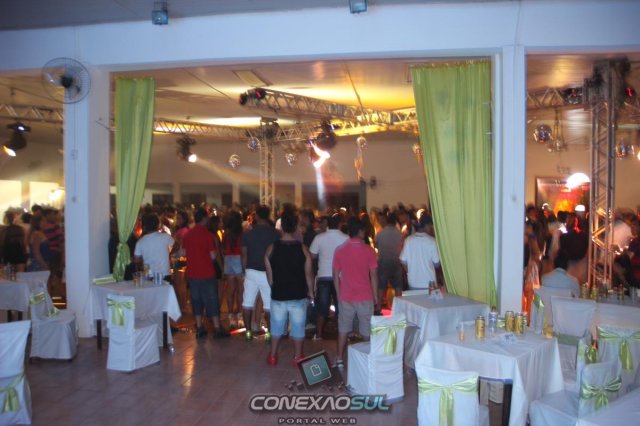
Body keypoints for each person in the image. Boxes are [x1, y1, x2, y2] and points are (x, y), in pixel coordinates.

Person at [264, 211, 314, 366]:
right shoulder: (303, 249)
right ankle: (297, 357)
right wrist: (311, 292)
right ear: (295, 227)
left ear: (281, 227)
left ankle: (273, 356)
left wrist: (274, 285)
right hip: (298, 294)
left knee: (276, 327)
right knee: (298, 327)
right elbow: (309, 274)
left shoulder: (272, 248)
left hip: (279, 294)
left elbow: (269, 275)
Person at [332, 216, 378, 369]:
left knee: (343, 329)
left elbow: (335, 275)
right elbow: (373, 276)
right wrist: (376, 296)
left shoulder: (340, 250)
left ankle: (339, 358)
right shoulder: (369, 251)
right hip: (365, 296)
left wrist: (338, 294)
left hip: (346, 296)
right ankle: (369, 359)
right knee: (366, 330)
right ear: (360, 231)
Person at [182, 207, 229, 339]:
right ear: (204, 219)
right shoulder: (208, 235)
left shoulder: (188, 234)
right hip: (207, 272)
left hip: (192, 273)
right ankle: (217, 328)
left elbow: (183, 252)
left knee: (196, 300)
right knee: (212, 299)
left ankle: (199, 327)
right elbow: (213, 256)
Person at [241, 205, 280, 340]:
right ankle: (269, 333)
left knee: (247, 303)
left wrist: (245, 271)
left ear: (256, 216)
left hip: (251, 270)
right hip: (268, 271)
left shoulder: (248, 234)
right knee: (269, 305)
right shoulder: (275, 234)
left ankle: (248, 332)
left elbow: (244, 255)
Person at [309, 212, 347, 340]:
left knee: (322, 308)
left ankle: (319, 334)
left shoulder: (319, 238)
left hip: (323, 276)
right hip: (340, 277)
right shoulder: (346, 238)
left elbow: (312, 255)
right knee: (340, 307)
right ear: (340, 224)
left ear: (328, 225)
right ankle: (342, 334)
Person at [399, 213, 443, 291]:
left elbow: (402, 260)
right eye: (430, 226)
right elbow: (436, 263)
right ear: (426, 226)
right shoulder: (432, 241)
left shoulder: (408, 240)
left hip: (413, 282)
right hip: (430, 283)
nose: (432, 228)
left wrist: (409, 271)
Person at [375, 212, 404, 311]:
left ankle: (379, 306)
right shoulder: (399, 233)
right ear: (395, 221)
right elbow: (402, 246)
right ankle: (399, 308)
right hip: (396, 262)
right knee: (398, 286)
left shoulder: (380, 233)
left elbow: (376, 245)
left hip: (383, 262)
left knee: (381, 286)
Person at [133, 213, 174, 280]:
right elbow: (177, 246)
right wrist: (169, 253)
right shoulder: (165, 237)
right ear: (158, 225)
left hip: (149, 274)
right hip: (165, 273)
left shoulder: (140, 241)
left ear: (144, 227)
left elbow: (136, 260)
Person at [223, 210, 245, 328]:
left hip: (228, 260)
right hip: (239, 259)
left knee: (230, 290)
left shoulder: (226, 233)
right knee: (240, 291)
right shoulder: (242, 233)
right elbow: (243, 250)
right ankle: (240, 316)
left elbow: (223, 249)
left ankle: (231, 316)